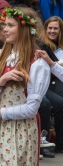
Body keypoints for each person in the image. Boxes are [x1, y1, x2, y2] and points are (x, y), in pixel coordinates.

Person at [0, 7, 50, 165]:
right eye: (5, 25)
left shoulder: (37, 63)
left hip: (22, 130)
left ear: (25, 29)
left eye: (11, 25)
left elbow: (31, 109)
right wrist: (1, 81)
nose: (5, 29)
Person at [38, 16, 63, 153]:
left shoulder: (60, 45)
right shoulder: (43, 45)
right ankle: (55, 142)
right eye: (50, 28)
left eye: (56, 28)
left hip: (56, 79)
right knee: (58, 103)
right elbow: (54, 66)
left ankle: (60, 142)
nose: (52, 31)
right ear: (45, 29)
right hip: (46, 83)